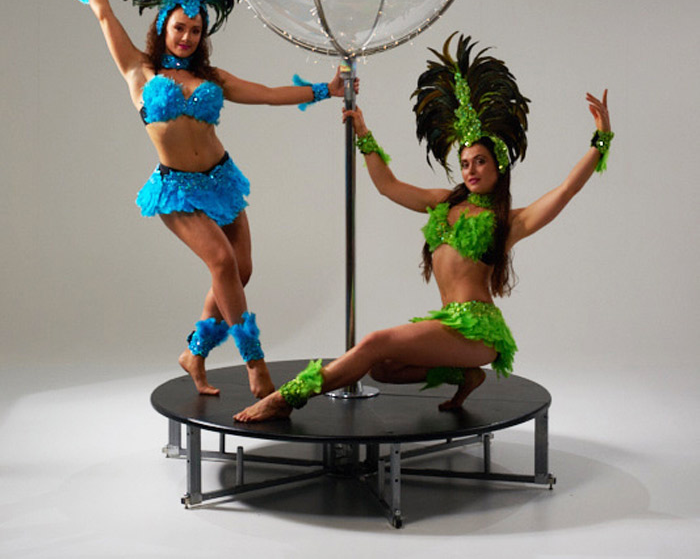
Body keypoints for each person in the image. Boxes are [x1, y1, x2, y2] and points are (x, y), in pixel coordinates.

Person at [48, 0, 354, 399]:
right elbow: (104, 16)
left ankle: (195, 352)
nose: (187, 36)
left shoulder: (213, 78)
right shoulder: (139, 71)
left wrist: (326, 90)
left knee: (241, 270)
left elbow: (268, 94)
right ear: (162, 27)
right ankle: (256, 366)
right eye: (179, 28)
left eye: (195, 30)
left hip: (222, 180)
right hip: (178, 190)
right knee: (222, 264)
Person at [234, 33, 613, 422]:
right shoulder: (443, 202)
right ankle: (465, 375)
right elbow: (388, 186)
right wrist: (363, 132)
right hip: (448, 324)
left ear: (498, 166)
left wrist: (600, 140)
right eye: (465, 163)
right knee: (384, 368)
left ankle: (287, 398)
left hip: (478, 330)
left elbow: (566, 191)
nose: (470, 170)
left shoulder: (508, 221)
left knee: (375, 342)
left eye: (480, 161)